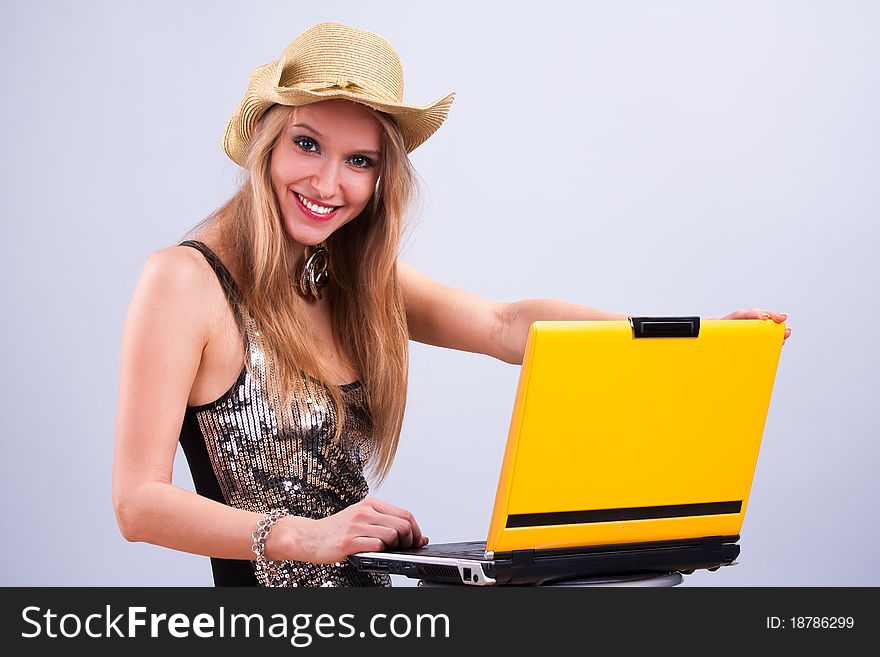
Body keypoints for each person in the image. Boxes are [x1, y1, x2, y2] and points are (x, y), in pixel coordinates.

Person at [112, 22, 792, 588]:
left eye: (360, 161)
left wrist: (688, 341)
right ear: (266, 137)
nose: (328, 182)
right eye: (307, 143)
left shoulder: (344, 275)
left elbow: (504, 325)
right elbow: (137, 502)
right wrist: (305, 537)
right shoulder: (184, 281)